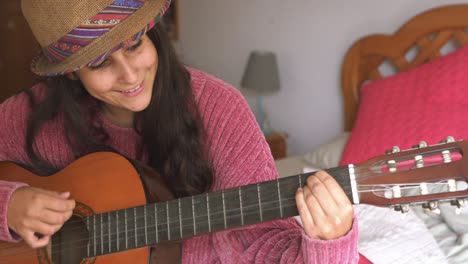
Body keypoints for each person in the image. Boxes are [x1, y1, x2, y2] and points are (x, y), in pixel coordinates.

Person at [0, 0, 358, 263]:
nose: (129, 75)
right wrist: (8, 207)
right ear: (71, 72)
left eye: (135, 44)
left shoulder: (220, 109)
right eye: (99, 63)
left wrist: (331, 243)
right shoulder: (29, 115)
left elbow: (264, 245)